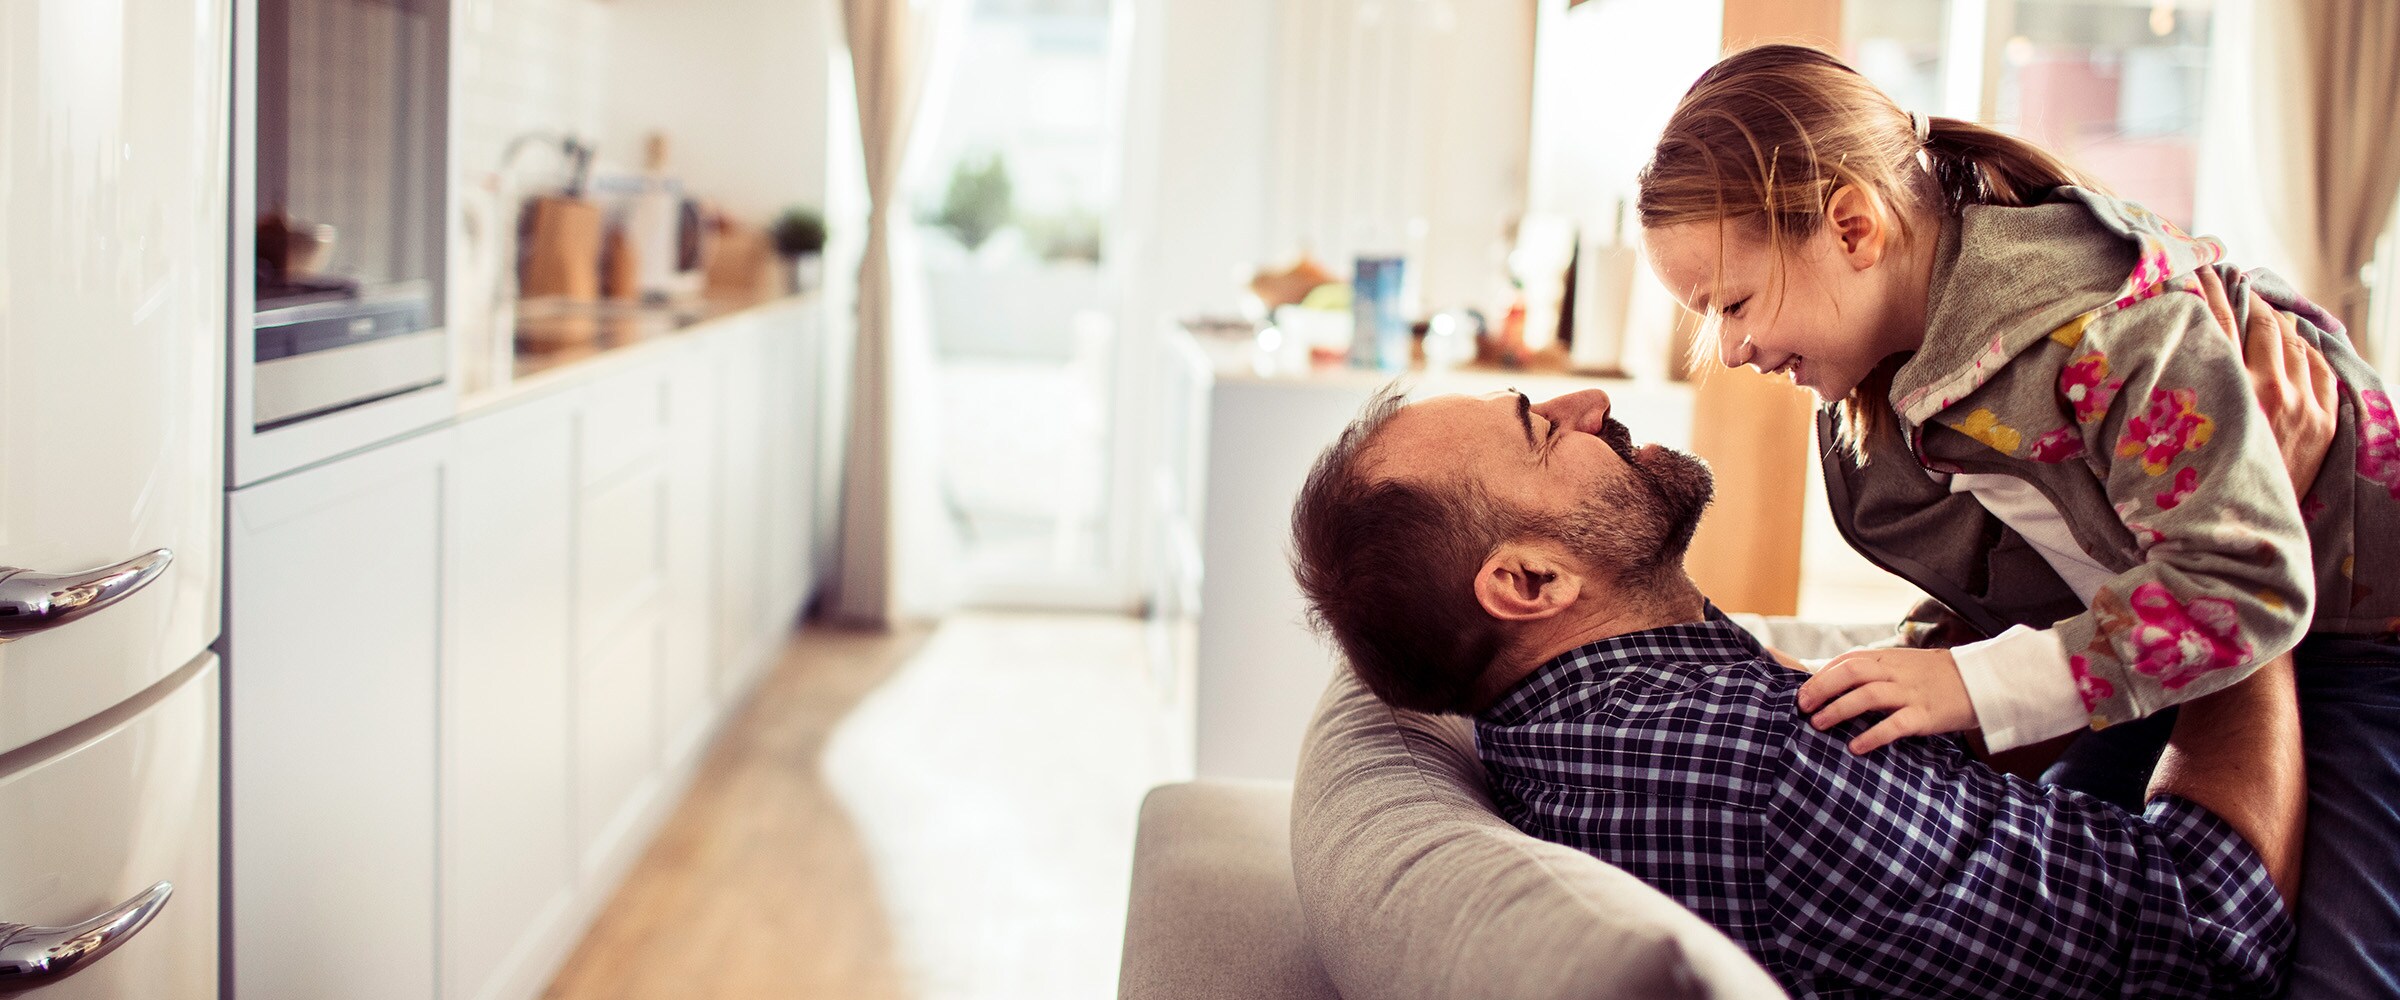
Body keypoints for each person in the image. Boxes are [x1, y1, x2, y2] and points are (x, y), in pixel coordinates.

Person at [1632, 43, 2395, 996]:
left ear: (1853, 226)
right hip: (2160, 641)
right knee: (2072, 915)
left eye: (1733, 304)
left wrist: (1969, 686)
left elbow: (2245, 582)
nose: (1732, 350)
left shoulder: (2100, 331)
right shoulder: (1906, 388)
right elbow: (2046, 563)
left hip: (2360, 644)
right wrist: (1895, 675)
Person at [1289, 386, 2304, 998]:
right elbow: (2213, 929)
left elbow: (1928, 764)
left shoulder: (1597, 716)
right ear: (1531, 583)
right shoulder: (1753, 773)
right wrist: (2238, 545)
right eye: (1543, 433)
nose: (1587, 406)